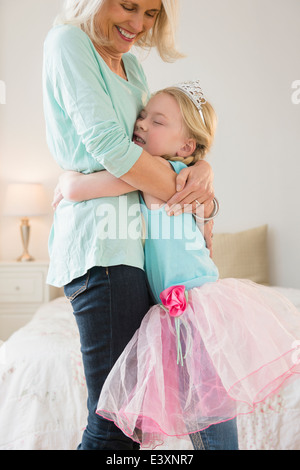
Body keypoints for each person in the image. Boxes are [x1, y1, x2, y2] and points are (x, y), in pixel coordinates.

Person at [56, 81, 300, 450]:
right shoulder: (181, 177)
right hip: (187, 308)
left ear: (185, 146)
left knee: (210, 417)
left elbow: (76, 191)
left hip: (192, 309)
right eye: (141, 116)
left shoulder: (156, 174)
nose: (140, 124)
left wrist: (66, 179)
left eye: (156, 121)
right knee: (209, 414)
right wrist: (203, 166)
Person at [43, 0, 216, 451]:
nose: (138, 24)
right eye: (128, 6)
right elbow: (114, 150)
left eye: (152, 14)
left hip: (134, 254)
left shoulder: (134, 69)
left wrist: (202, 173)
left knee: (131, 425)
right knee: (113, 425)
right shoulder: (69, 43)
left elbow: (153, 153)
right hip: (102, 248)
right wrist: (193, 187)